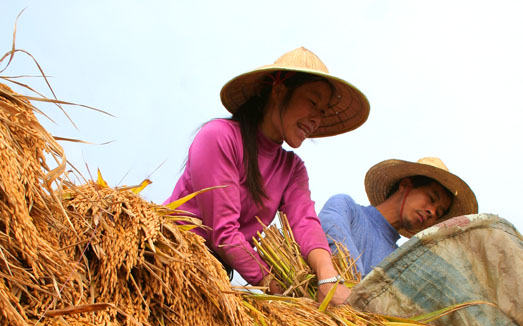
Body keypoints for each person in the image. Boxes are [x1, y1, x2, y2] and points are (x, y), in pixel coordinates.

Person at [165, 47, 370, 305]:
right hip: (172, 256)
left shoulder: (292, 169)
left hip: (214, 275)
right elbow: (223, 232)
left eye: (323, 111)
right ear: (278, 90)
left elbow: (305, 223)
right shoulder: (219, 136)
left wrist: (327, 277)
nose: (316, 119)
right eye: (312, 102)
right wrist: (280, 289)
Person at [319, 157, 478, 277]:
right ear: (405, 185)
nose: (432, 212)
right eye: (431, 198)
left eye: (439, 213)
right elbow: (332, 236)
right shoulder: (346, 207)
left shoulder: (402, 261)